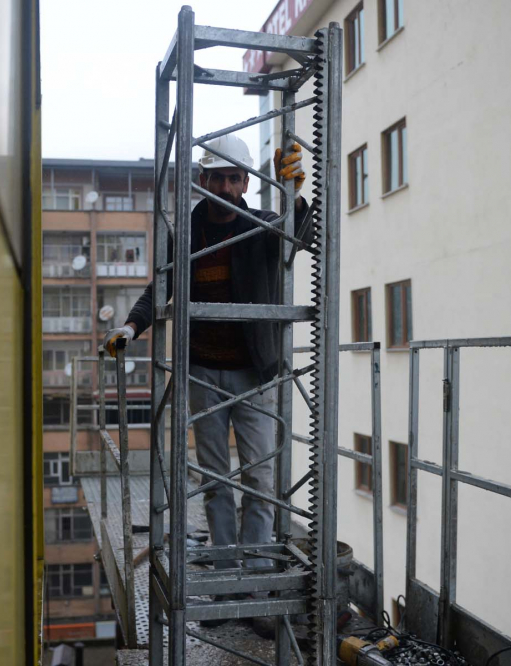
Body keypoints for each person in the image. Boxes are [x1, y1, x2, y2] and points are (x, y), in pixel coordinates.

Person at [103, 134, 310, 630]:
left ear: (243, 184)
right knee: (216, 481)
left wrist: (294, 189)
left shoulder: (260, 225)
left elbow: (299, 236)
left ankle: (256, 584)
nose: (222, 185)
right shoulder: (187, 232)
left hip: (254, 371)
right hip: (204, 372)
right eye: (214, 176)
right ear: (202, 180)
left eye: (232, 178)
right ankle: (223, 585)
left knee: (259, 478)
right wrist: (131, 326)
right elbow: (163, 284)